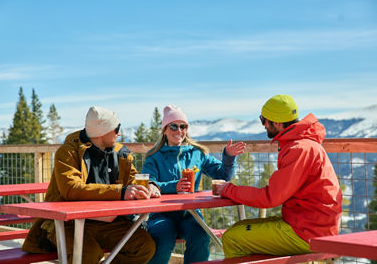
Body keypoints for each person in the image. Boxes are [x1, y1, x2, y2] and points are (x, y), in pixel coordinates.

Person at [22, 106, 157, 264]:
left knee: (144, 246)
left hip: (107, 223)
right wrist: (121, 192)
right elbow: (71, 189)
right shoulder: (68, 152)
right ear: (102, 133)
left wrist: (149, 186)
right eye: (116, 129)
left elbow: (132, 180)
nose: (119, 133)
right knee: (87, 254)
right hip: (66, 224)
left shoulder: (121, 154)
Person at [215, 94, 343, 258]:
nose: (263, 125)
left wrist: (228, 190)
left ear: (276, 123)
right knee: (240, 227)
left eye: (263, 120)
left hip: (309, 233)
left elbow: (271, 198)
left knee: (232, 237)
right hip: (314, 225)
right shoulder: (304, 143)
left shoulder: (299, 149)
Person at [142, 104, 246, 264]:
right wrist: (173, 186)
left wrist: (228, 157)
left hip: (191, 214)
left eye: (183, 126)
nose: (179, 131)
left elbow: (222, 175)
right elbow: (150, 185)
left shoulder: (197, 154)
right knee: (162, 239)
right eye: (174, 126)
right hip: (161, 215)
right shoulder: (153, 157)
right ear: (164, 130)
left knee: (201, 236)